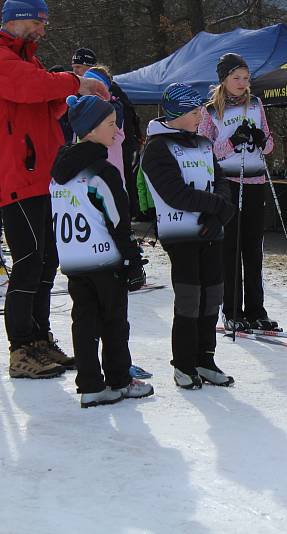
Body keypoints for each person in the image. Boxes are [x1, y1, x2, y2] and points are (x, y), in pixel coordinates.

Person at [0, 0, 110, 379]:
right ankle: (21, 349)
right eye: (38, 22)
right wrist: (73, 81)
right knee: (29, 262)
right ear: (15, 21)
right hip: (17, 180)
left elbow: (42, 104)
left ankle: (40, 338)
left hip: (42, 177)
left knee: (47, 263)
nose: (42, 31)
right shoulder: (4, 58)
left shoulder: (29, 61)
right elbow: (28, 88)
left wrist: (71, 101)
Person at [50, 95, 153, 407]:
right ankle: (119, 379)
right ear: (91, 130)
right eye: (110, 124)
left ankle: (91, 384)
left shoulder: (58, 173)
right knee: (113, 322)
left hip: (73, 259)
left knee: (83, 322)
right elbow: (118, 222)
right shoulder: (101, 171)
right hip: (103, 259)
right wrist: (132, 261)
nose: (116, 131)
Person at [140, 83, 235, 389]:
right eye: (195, 111)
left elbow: (220, 181)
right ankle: (183, 364)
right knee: (190, 298)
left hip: (210, 230)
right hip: (180, 233)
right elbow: (174, 193)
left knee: (212, 296)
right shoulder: (156, 148)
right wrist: (217, 208)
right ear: (177, 113)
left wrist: (219, 213)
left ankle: (205, 359)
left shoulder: (204, 144)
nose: (200, 116)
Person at [198, 53, 278, 333]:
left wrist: (260, 140)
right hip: (228, 185)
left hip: (255, 183)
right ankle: (231, 309)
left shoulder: (256, 104)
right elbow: (205, 153)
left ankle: (257, 310)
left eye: (246, 78)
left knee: (254, 250)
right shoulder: (209, 112)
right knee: (230, 251)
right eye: (237, 78)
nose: (243, 83)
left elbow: (269, 146)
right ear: (224, 80)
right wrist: (233, 141)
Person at [73, 47, 144, 219]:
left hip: (111, 164)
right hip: (88, 169)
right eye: (73, 68)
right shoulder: (81, 105)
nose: (75, 73)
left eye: (78, 69)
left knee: (114, 206)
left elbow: (119, 126)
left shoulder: (113, 105)